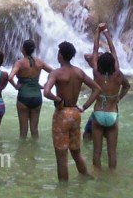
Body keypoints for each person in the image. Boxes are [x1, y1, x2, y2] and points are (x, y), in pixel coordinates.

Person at [43, 41, 101, 182]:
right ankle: (86, 178)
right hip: (75, 113)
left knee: (61, 158)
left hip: (62, 114)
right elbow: (97, 89)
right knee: (76, 152)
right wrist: (84, 107)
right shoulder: (79, 72)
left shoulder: (56, 73)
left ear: (60, 56)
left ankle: (63, 189)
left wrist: (57, 99)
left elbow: (46, 92)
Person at [88, 22, 130, 171]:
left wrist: (97, 32)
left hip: (99, 113)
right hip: (112, 114)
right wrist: (118, 98)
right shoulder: (118, 75)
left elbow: (95, 51)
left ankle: (97, 174)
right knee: (112, 152)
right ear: (113, 64)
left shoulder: (96, 74)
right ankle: (112, 175)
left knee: (97, 152)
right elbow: (127, 86)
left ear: (99, 63)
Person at [8, 39, 54, 138]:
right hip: (37, 96)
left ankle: (23, 148)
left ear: (23, 49)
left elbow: (10, 77)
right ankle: (34, 147)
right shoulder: (40, 62)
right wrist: (46, 85)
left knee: (23, 130)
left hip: (23, 97)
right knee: (34, 129)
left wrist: (16, 86)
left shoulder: (19, 63)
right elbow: (54, 72)